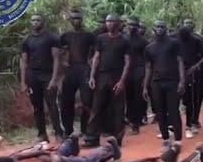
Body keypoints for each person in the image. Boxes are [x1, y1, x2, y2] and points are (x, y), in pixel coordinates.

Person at [84, 14, 131, 147]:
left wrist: (122, 81)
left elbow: (127, 62)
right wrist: (92, 76)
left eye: (112, 21)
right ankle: (91, 138)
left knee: (118, 109)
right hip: (102, 77)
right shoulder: (101, 39)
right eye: (107, 21)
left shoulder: (124, 40)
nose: (109, 23)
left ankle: (117, 138)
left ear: (118, 23)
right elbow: (96, 58)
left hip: (117, 77)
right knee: (96, 107)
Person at [20, 13, 63, 142]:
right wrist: (23, 81)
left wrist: (54, 79)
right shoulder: (27, 40)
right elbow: (24, 62)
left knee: (52, 104)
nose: (35, 22)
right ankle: (42, 134)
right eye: (33, 20)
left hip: (48, 75)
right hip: (33, 76)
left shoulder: (52, 38)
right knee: (37, 106)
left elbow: (56, 59)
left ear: (43, 21)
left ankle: (59, 133)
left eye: (38, 20)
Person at [143, 20, 185, 145]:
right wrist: (145, 86)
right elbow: (148, 68)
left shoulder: (174, 43)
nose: (160, 29)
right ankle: (166, 138)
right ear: (154, 29)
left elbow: (180, 62)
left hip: (172, 81)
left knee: (173, 111)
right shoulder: (149, 47)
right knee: (159, 111)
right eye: (157, 27)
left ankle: (178, 140)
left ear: (166, 28)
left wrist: (182, 81)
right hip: (156, 83)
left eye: (162, 26)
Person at [59, 9, 96, 137]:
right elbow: (59, 51)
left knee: (87, 100)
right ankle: (68, 130)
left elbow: (96, 51)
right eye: (74, 18)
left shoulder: (89, 35)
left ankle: (85, 129)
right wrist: (63, 62)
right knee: (66, 100)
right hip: (71, 70)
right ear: (70, 20)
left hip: (85, 69)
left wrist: (91, 61)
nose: (76, 21)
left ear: (82, 20)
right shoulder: (65, 36)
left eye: (79, 18)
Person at [177, 21, 203, 138]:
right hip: (176, 73)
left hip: (191, 73)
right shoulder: (174, 40)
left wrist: (196, 66)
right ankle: (173, 126)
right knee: (175, 100)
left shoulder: (197, 40)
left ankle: (190, 125)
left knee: (191, 100)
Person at [123, 16, 148, 134]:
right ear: (127, 25)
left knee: (137, 97)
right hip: (125, 71)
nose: (132, 27)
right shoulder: (123, 38)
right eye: (130, 24)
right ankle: (128, 119)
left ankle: (136, 123)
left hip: (139, 70)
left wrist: (145, 75)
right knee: (127, 97)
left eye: (135, 25)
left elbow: (147, 59)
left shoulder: (143, 41)